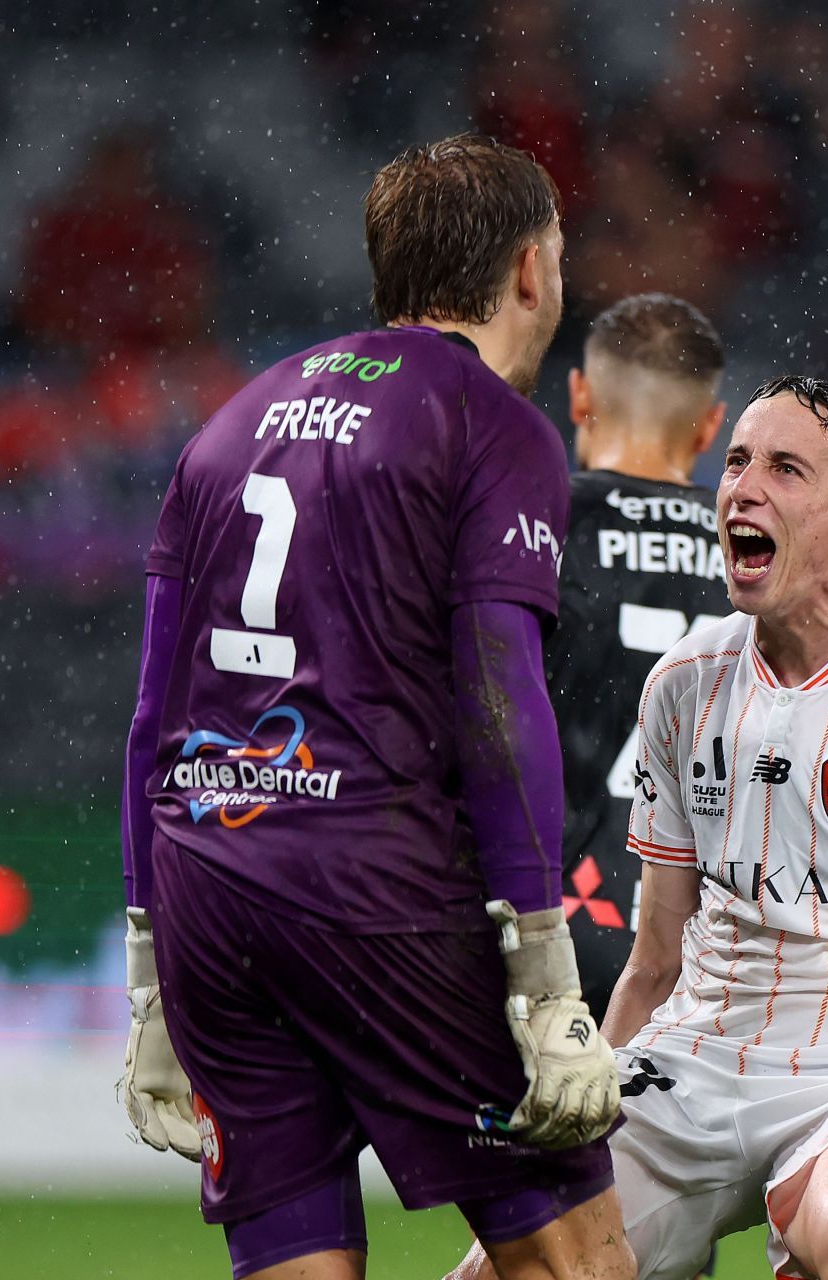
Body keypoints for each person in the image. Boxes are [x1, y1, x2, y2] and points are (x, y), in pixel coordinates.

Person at [116, 133, 633, 1280]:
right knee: (580, 1262)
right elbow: (499, 695)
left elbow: (153, 716)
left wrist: (151, 964)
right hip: (372, 884)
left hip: (207, 881)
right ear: (532, 271)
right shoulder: (493, 425)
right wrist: (544, 971)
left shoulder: (229, 421)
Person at [454, 376, 828, 1280]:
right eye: (735, 461)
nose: (741, 488)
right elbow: (654, 960)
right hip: (698, 1053)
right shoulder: (684, 683)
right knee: (514, 1270)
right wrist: (591, 1101)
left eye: (784, 468)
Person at [547, 292, 728, 1028]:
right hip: (697, 952)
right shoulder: (766, 561)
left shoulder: (531, 523)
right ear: (711, 426)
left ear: (580, 395)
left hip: (540, 927)